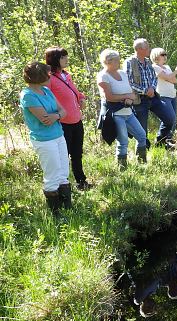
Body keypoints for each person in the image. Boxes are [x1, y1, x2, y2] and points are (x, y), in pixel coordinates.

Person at [19, 62, 71, 212]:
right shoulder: (27, 95)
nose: (50, 77)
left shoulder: (47, 91)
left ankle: (67, 209)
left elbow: (63, 111)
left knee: (63, 173)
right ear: (39, 76)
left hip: (58, 135)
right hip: (44, 139)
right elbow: (45, 120)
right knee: (52, 174)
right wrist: (57, 115)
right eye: (48, 75)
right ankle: (55, 213)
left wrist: (56, 115)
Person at [45, 47, 91, 190]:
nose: (66, 59)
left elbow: (75, 92)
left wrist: (81, 98)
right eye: (63, 57)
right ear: (55, 60)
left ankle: (81, 181)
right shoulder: (50, 78)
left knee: (77, 153)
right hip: (62, 123)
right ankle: (62, 186)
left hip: (76, 120)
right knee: (63, 156)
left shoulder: (66, 75)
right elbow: (47, 98)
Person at [97, 49, 147, 170]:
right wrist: (126, 97)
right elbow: (109, 97)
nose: (119, 62)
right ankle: (122, 169)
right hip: (116, 114)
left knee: (141, 135)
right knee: (123, 141)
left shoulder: (123, 73)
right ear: (108, 62)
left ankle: (142, 164)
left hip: (128, 112)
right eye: (116, 60)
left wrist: (131, 98)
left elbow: (132, 92)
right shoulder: (103, 76)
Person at [125, 38, 177, 149]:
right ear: (139, 49)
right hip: (139, 100)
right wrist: (145, 90)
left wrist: (152, 88)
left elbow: (153, 78)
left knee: (170, 119)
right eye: (147, 47)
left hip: (153, 97)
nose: (149, 49)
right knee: (142, 131)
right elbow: (129, 83)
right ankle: (144, 152)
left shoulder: (148, 62)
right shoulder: (129, 62)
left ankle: (160, 142)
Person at [150, 48, 177, 118]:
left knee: (173, 119)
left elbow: (175, 80)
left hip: (172, 95)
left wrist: (168, 77)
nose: (165, 56)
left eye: (165, 54)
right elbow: (168, 77)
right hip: (163, 96)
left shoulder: (167, 67)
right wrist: (176, 71)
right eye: (162, 55)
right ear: (156, 56)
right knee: (169, 118)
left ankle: (171, 130)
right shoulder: (154, 67)